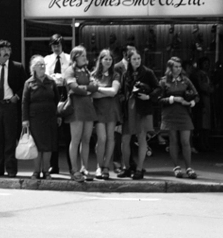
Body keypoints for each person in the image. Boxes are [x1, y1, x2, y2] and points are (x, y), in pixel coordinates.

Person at [0, 40, 27, 178]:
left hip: (10, 106)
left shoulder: (17, 67)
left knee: (10, 138)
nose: (7, 51)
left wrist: (17, 97)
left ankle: (11, 170)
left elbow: (23, 86)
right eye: (4, 49)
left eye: (9, 49)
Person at [118, 51, 159, 180]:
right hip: (128, 109)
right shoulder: (126, 74)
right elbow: (122, 91)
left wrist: (149, 96)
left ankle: (139, 169)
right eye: (134, 59)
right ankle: (127, 167)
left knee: (141, 139)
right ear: (129, 60)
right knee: (125, 140)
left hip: (142, 109)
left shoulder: (148, 72)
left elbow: (158, 88)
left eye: (139, 58)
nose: (137, 61)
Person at [158, 57, 200, 179]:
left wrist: (191, 103)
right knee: (173, 141)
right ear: (170, 68)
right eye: (176, 66)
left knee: (186, 141)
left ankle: (189, 167)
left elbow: (196, 96)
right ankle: (176, 167)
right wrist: (173, 99)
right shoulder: (163, 81)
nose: (178, 68)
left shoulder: (186, 81)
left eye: (180, 66)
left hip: (184, 112)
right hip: (169, 113)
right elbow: (159, 99)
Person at [63, 46, 99, 182]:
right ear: (75, 57)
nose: (85, 58)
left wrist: (84, 88)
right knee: (75, 140)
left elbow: (95, 86)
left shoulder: (86, 70)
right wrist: (86, 90)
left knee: (86, 139)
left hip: (88, 108)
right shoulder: (69, 70)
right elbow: (73, 88)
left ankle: (85, 168)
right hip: (76, 108)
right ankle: (74, 169)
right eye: (82, 55)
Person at [21, 55, 60, 180]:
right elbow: (24, 102)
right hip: (35, 119)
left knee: (48, 146)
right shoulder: (28, 83)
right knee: (36, 145)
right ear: (34, 68)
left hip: (49, 117)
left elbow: (57, 100)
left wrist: (58, 115)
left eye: (43, 64)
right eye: (39, 64)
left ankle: (46, 171)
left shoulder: (51, 82)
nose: (42, 66)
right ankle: (36, 171)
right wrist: (25, 119)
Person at [91, 48, 122, 180]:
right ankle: (99, 165)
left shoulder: (115, 75)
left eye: (110, 59)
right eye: (106, 59)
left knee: (111, 138)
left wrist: (99, 89)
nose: (108, 61)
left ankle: (106, 167)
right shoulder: (93, 75)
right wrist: (105, 92)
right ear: (101, 60)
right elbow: (93, 94)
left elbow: (114, 91)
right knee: (101, 138)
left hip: (112, 110)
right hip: (98, 110)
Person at [44, 33, 72, 175]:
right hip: (52, 94)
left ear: (62, 45)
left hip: (66, 93)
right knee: (53, 134)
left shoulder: (69, 58)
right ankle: (53, 165)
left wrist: (64, 78)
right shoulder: (47, 59)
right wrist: (52, 78)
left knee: (68, 135)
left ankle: (72, 166)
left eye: (58, 45)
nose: (56, 48)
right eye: (53, 45)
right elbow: (43, 76)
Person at [190, 57, 214, 153]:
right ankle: (202, 143)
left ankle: (205, 143)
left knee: (206, 122)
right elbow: (203, 86)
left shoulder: (206, 74)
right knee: (202, 123)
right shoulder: (200, 74)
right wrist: (210, 89)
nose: (207, 65)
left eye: (208, 63)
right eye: (205, 63)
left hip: (206, 99)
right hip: (203, 99)